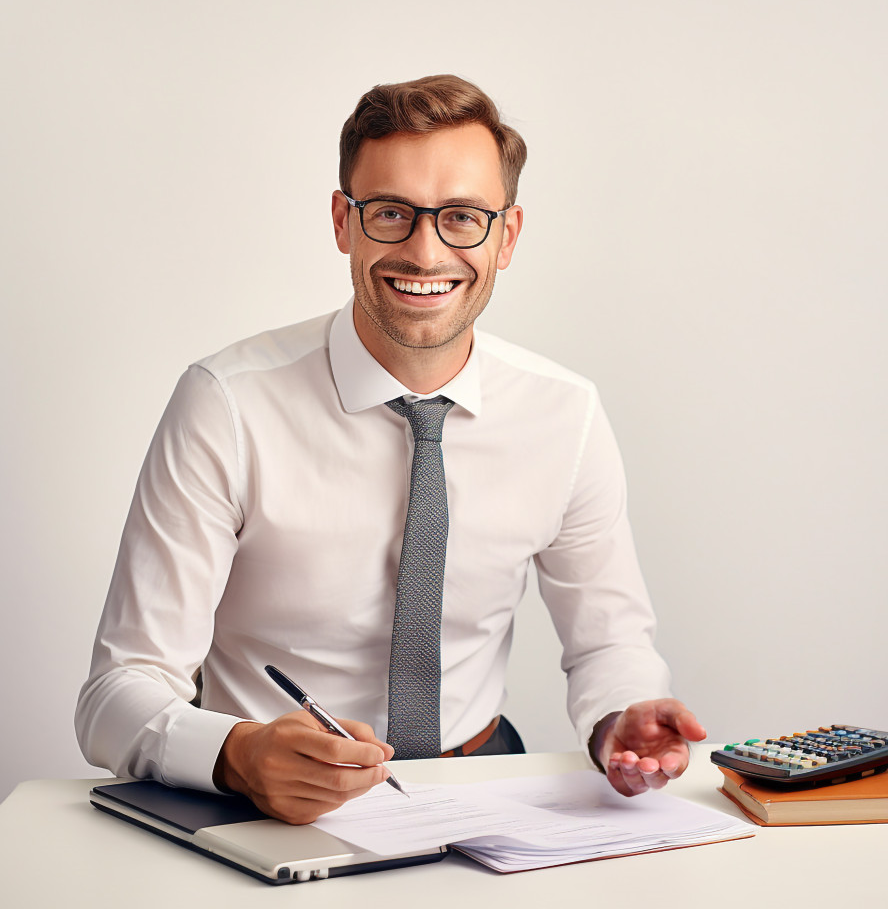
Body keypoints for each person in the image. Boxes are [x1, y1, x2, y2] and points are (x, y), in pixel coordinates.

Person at [76, 74, 706, 825]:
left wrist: (619, 718)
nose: (425, 250)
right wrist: (237, 754)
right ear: (343, 221)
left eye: (464, 217)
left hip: (483, 789)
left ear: (507, 236)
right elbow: (117, 693)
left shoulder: (564, 413)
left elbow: (610, 645)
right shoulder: (228, 403)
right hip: (267, 804)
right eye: (390, 214)